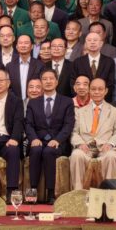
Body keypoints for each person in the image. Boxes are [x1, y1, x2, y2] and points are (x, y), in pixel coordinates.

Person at [25, 68, 74, 201]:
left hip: (58, 142)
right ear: (41, 82)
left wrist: (57, 140)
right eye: (45, 79)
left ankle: (51, 192)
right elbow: (28, 124)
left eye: (51, 79)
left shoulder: (67, 102)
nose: (48, 81)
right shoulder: (33, 102)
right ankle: (33, 191)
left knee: (48, 151)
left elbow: (68, 125)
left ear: (56, 82)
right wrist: (34, 139)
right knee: (36, 150)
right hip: (38, 140)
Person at [69, 77, 116, 188]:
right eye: (93, 89)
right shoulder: (80, 112)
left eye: (100, 89)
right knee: (76, 155)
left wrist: (110, 144)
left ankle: (109, 193)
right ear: (89, 90)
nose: (96, 92)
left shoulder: (114, 111)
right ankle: (78, 192)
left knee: (111, 156)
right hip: (86, 147)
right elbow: (74, 132)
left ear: (106, 91)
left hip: (105, 147)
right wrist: (80, 143)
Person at [71, 31, 116, 101]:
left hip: (103, 100)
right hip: (83, 101)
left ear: (101, 43)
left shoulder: (109, 61)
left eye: (95, 40)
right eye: (89, 40)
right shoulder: (78, 62)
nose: (92, 42)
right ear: (85, 44)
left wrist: (99, 97)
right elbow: (73, 83)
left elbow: (110, 84)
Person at [6, 33, 44, 100]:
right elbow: (7, 87)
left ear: (32, 46)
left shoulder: (40, 65)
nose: (23, 45)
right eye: (20, 43)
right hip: (15, 103)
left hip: (35, 102)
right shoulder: (9, 66)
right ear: (16, 47)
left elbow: (42, 86)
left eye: (26, 43)